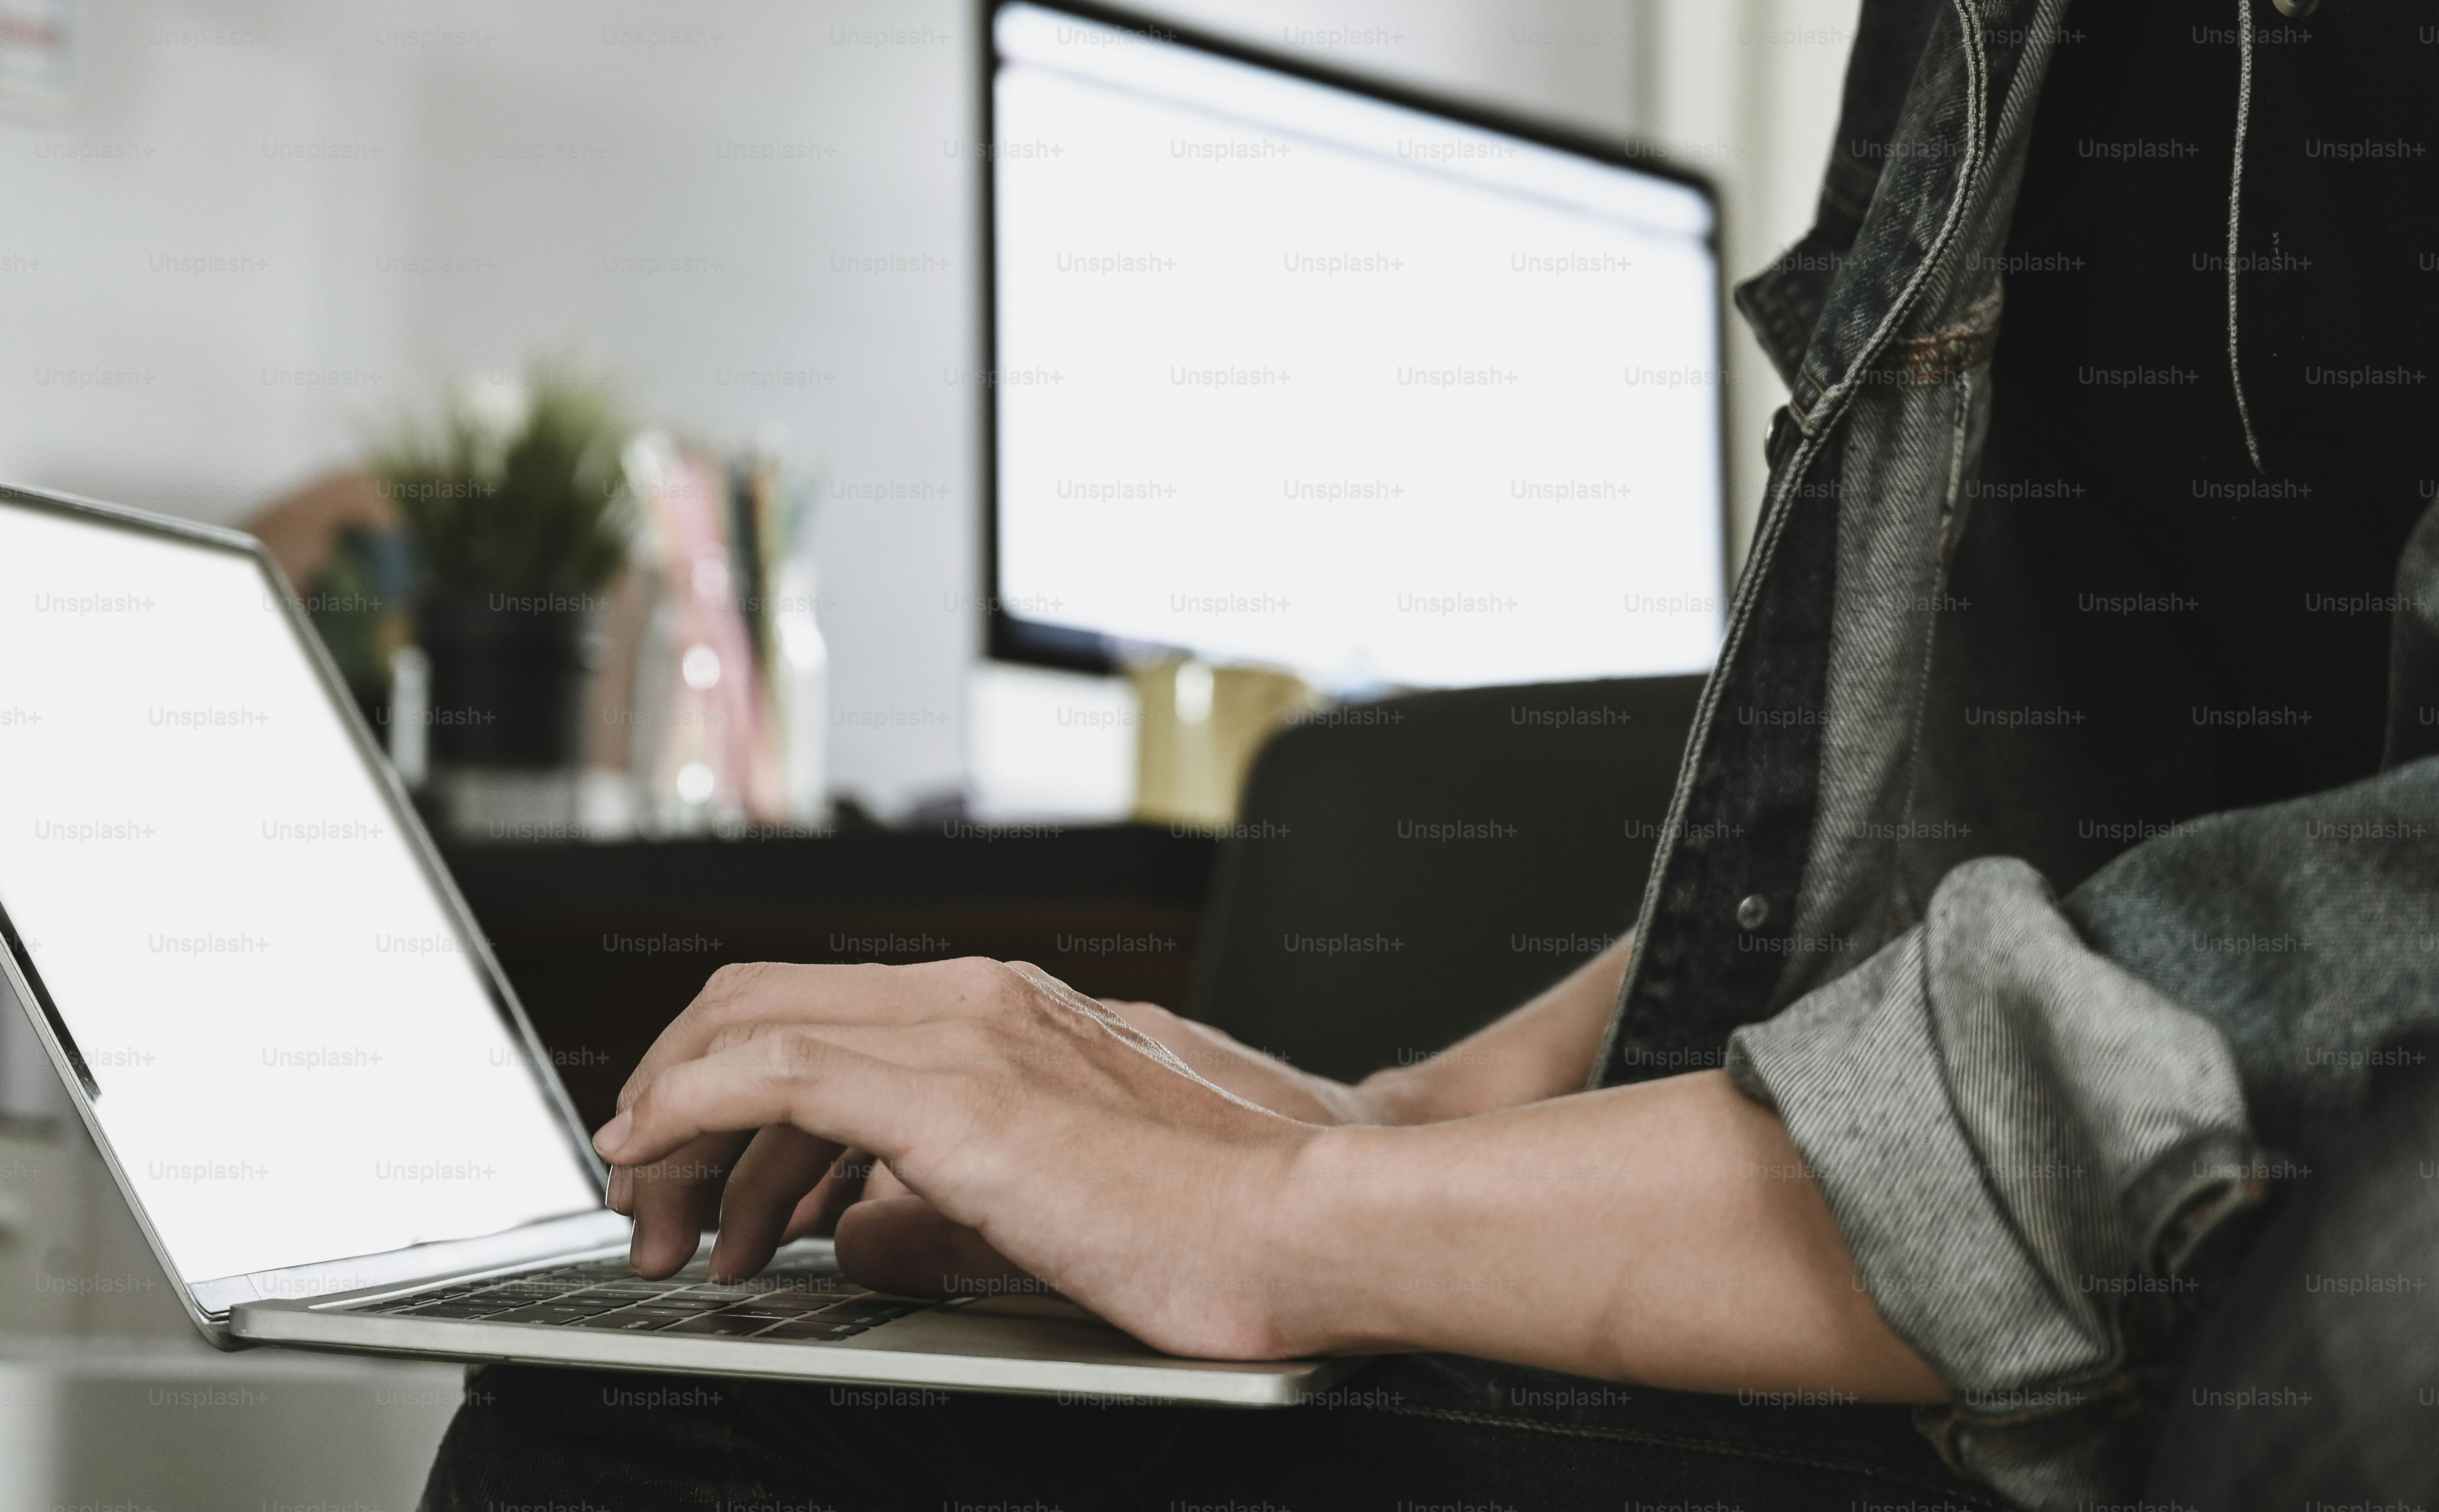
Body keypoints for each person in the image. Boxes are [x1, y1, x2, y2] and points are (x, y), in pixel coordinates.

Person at [425, 0, 2439, 1506]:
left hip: (2255, 1312)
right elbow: (1997, 803)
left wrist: (1288, 1215)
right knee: (686, 1399)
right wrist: (1413, 1120)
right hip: (2006, 1264)